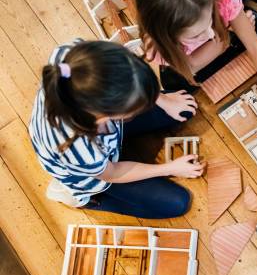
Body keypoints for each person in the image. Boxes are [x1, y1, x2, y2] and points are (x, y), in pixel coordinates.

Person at [29, 40, 204, 219]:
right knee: (176, 203)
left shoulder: (73, 59)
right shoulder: (75, 147)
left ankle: (118, 142)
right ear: (109, 114)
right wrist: (170, 168)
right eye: (135, 108)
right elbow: (113, 173)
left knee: (184, 109)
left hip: (102, 136)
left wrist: (164, 101)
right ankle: (84, 198)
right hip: (98, 172)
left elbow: (127, 69)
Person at [135, 0, 257, 129]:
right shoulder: (158, 44)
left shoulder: (222, 0)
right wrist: (224, 39)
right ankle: (242, 21)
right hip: (219, 40)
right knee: (177, 85)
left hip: (226, 31)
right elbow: (190, 66)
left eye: (209, 19)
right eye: (196, 35)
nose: (209, 34)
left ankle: (245, 15)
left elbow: (254, 45)